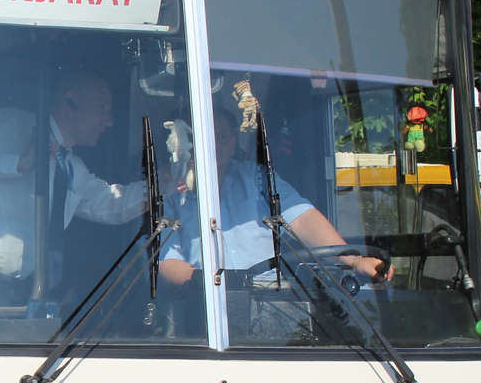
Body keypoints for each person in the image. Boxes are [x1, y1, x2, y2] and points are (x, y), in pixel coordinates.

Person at [0, 72, 149, 306]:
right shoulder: (12, 123)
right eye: (101, 108)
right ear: (71, 102)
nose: (109, 121)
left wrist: (161, 185)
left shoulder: (71, 166)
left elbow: (111, 203)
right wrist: (18, 162)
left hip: (23, 290)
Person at [157, 105, 390, 286]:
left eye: (221, 137)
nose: (212, 146)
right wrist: (218, 285)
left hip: (271, 303)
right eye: (199, 138)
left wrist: (354, 261)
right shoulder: (167, 196)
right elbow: (165, 262)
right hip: (207, 307)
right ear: (180, 146)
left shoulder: (257, 177)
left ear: (232, 144)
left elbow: (301, 218)